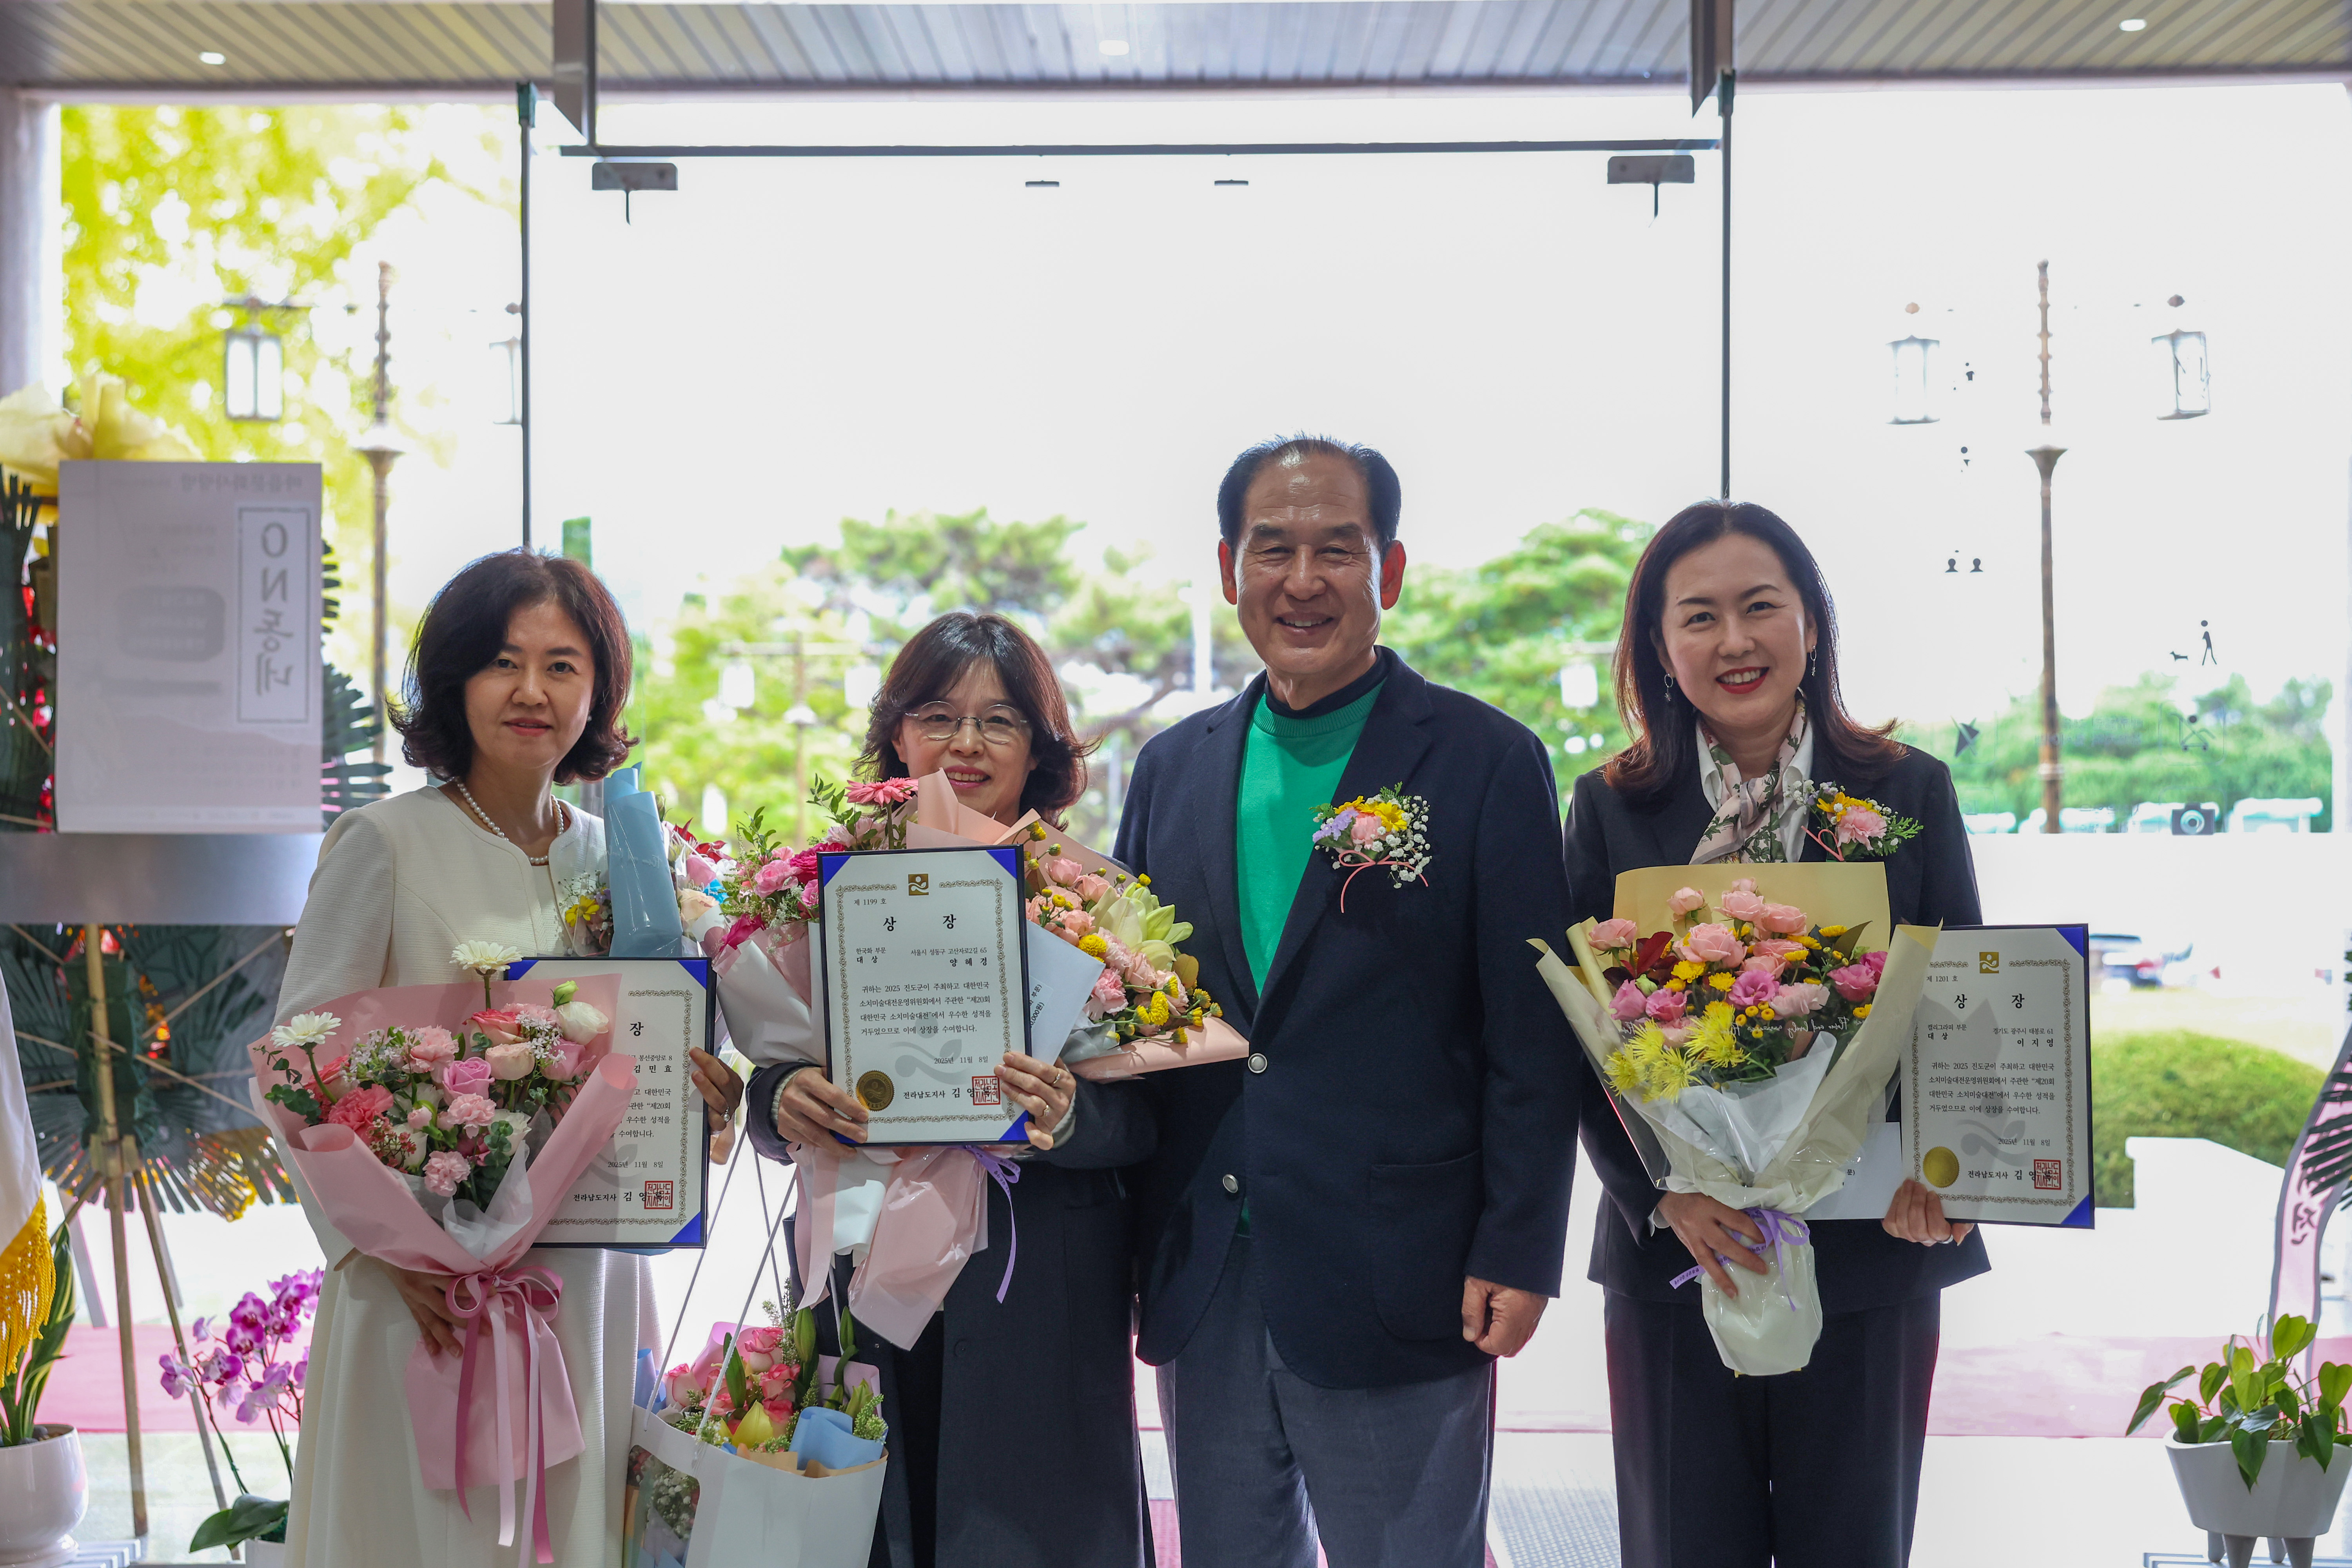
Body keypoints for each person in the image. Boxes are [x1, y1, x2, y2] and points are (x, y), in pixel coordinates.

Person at [1112, 435, 1581, 1568]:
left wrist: (1520, 1247)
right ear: (1229, 570)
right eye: (1272, 548)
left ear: (1392, 570)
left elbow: (1533, 1035)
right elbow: (1131, 1007)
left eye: (1338, 549)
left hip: (1403, 1272)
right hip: (1207, 1271)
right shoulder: (1172, 767)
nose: (1303, 581)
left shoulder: (1483, 758)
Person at [271, 550, 744, 1566]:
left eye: (562, 665)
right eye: (503, 661)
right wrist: (377, 1249)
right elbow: (297, 1064)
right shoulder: (385, 843)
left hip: (589, 1281)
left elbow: (659, 1048)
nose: (533, 690)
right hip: (425, 1296)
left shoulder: (628, 855)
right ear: (455, 681)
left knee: (580, 1527)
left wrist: (704, 1097)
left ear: (598, 691)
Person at [1560, 500, 1991, 1568]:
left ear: (1811, 621)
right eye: (1699, 616)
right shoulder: (1611, 807)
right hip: (1686, 1253)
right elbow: (1575, 1038)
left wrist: (1948, 1170)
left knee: (1854, 1544)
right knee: (1682, 1545)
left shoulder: (1907, 787)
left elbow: (1960, 997)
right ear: (1659, 644)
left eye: (1761, 606)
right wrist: (1659, 1196)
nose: (1735, 640)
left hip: (1871, 1251)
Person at [741, 610, 1153, 1568]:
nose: (966, 742)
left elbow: (1149, 1117)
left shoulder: (1098, 904)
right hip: (863, 1269)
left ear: (1039, 749)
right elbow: (771, 1070)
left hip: (1033, 1285)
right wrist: (781, 1096)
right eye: (938, 714)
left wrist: (1069, 1112)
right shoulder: (825, 889)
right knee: (872, 1526)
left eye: (999, 720)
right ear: (898, 732)